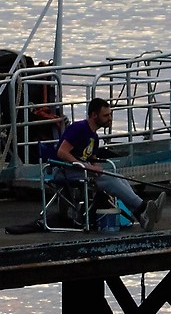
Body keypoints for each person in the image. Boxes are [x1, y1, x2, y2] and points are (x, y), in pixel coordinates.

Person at [47, 97, 162, 229]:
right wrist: (85, 166)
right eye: (106, 115)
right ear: (94, 115)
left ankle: (141, 216)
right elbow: (62, 152)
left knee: (118, 177)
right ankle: (143, 207)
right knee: (109, 180)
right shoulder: (78, 128)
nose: (110, 118)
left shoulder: (94, 137)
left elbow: (92, 159)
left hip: (81, 172)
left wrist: (95, 168)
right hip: (64, 171)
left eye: (110, 115)